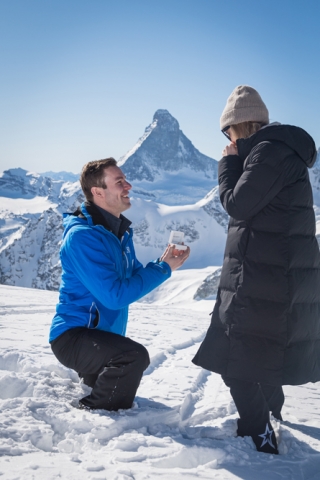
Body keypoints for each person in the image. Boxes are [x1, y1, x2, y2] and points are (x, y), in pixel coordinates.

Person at [192, 85, 320, 454]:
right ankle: (271, 415)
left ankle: (259, 433)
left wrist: (229, 164)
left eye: (226, 132)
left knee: (236, 360)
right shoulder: (276, 152)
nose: (226, 140)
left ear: (239, 126)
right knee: (261, 352)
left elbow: (238, 204)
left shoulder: (269, 153)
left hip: (264, 280)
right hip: (270, 277)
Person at [50, 158, 190, 411]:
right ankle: (91, 412)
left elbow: (133, 275)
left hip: (101, 335)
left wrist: (164, 261)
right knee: (132, 356)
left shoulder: (118, 233)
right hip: (74, 336)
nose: (129, 186)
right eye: (119, 182)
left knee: (118, 369)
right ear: (98, 192)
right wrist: (164, 268)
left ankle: (97, 393)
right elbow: (115, 295)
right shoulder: (83, 237)